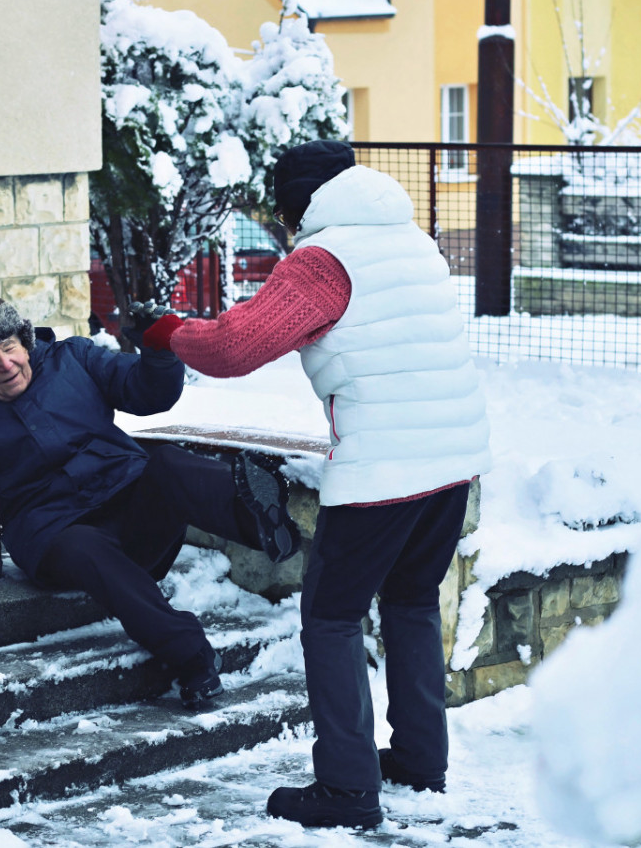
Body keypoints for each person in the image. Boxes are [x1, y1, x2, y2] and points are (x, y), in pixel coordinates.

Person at [134, 140, 492, 826]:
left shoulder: (322, 260)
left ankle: (346, 790)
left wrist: (167, 331)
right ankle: (419, 761)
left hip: (385, 466)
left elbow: (234, 348)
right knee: (412, 601)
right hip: (452, 458)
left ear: (296, 205)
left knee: (329, 616)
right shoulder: (408, 239)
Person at [0, 294, 301, 709]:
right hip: (56, 535)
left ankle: (260, 523)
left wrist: (158, 352)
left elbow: (146, 394)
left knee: (165, 463)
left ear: (24, 340)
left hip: (131, 510)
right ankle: (191, 657)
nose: (6, 363)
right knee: (86, 548)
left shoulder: (74, 358)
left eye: (10, 346)